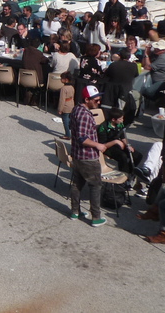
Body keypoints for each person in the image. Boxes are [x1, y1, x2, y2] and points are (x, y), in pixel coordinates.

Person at [69, 85, 109, 227]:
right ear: (87, 99)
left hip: (76, 155)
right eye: (96, 100)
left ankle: (75, 211)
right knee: (95, 186)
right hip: (88, 157)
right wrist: (97, 145)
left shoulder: (76, 109)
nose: (99, 103)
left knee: (77, 184)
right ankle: (96, 217)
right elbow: (82, 138)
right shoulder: (85, 115)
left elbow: (72, 129)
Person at [97, 107, 143, 175]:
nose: (122, 120)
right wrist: (116, 141)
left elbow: (123, 137)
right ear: (113, 119)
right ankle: (124, 174)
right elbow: (102, 145)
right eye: (120, 119)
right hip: (107, 147)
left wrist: (128, 145)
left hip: (118, 144)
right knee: (122, 156)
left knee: (137, 155)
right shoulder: (103, 127)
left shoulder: (120, 124)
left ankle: (130, 171)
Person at [57, 71, 75, 139]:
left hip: (65, 106)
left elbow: (62, 100)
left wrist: (60, 109)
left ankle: (67, 134)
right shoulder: (72, 87)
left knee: (65, 121)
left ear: (66, 80)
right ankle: (70, 132)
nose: (61, 79)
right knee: (69, 120)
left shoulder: (63, 88)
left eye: (62, 78)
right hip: (71, 105)